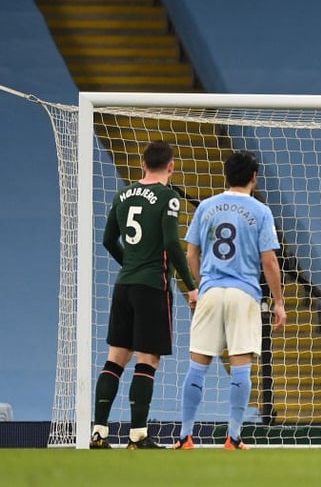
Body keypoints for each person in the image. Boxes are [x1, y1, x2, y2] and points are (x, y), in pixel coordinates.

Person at [174, 150, 287, 450]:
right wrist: (279, 301)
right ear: (254, 177)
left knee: (197, 366)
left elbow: (190, 253)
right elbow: (270, 262)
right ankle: (233, 437)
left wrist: (199, 286)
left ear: (226, 175)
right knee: (241, 367)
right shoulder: (261, 212)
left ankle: (185, 436)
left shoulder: (207, 207)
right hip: (244, 293)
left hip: (210, 292)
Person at [90, 140, 199, 449]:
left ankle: (99, 432)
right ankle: (138, 435)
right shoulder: (168, 197)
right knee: (147, 359)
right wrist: (191, 286)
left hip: (124, 285)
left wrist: (131, 264)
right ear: (171, 166)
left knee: (115, 359)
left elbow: (108, 239)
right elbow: (171, 243)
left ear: (142, 164)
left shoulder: (122, 195)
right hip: (152, 287)